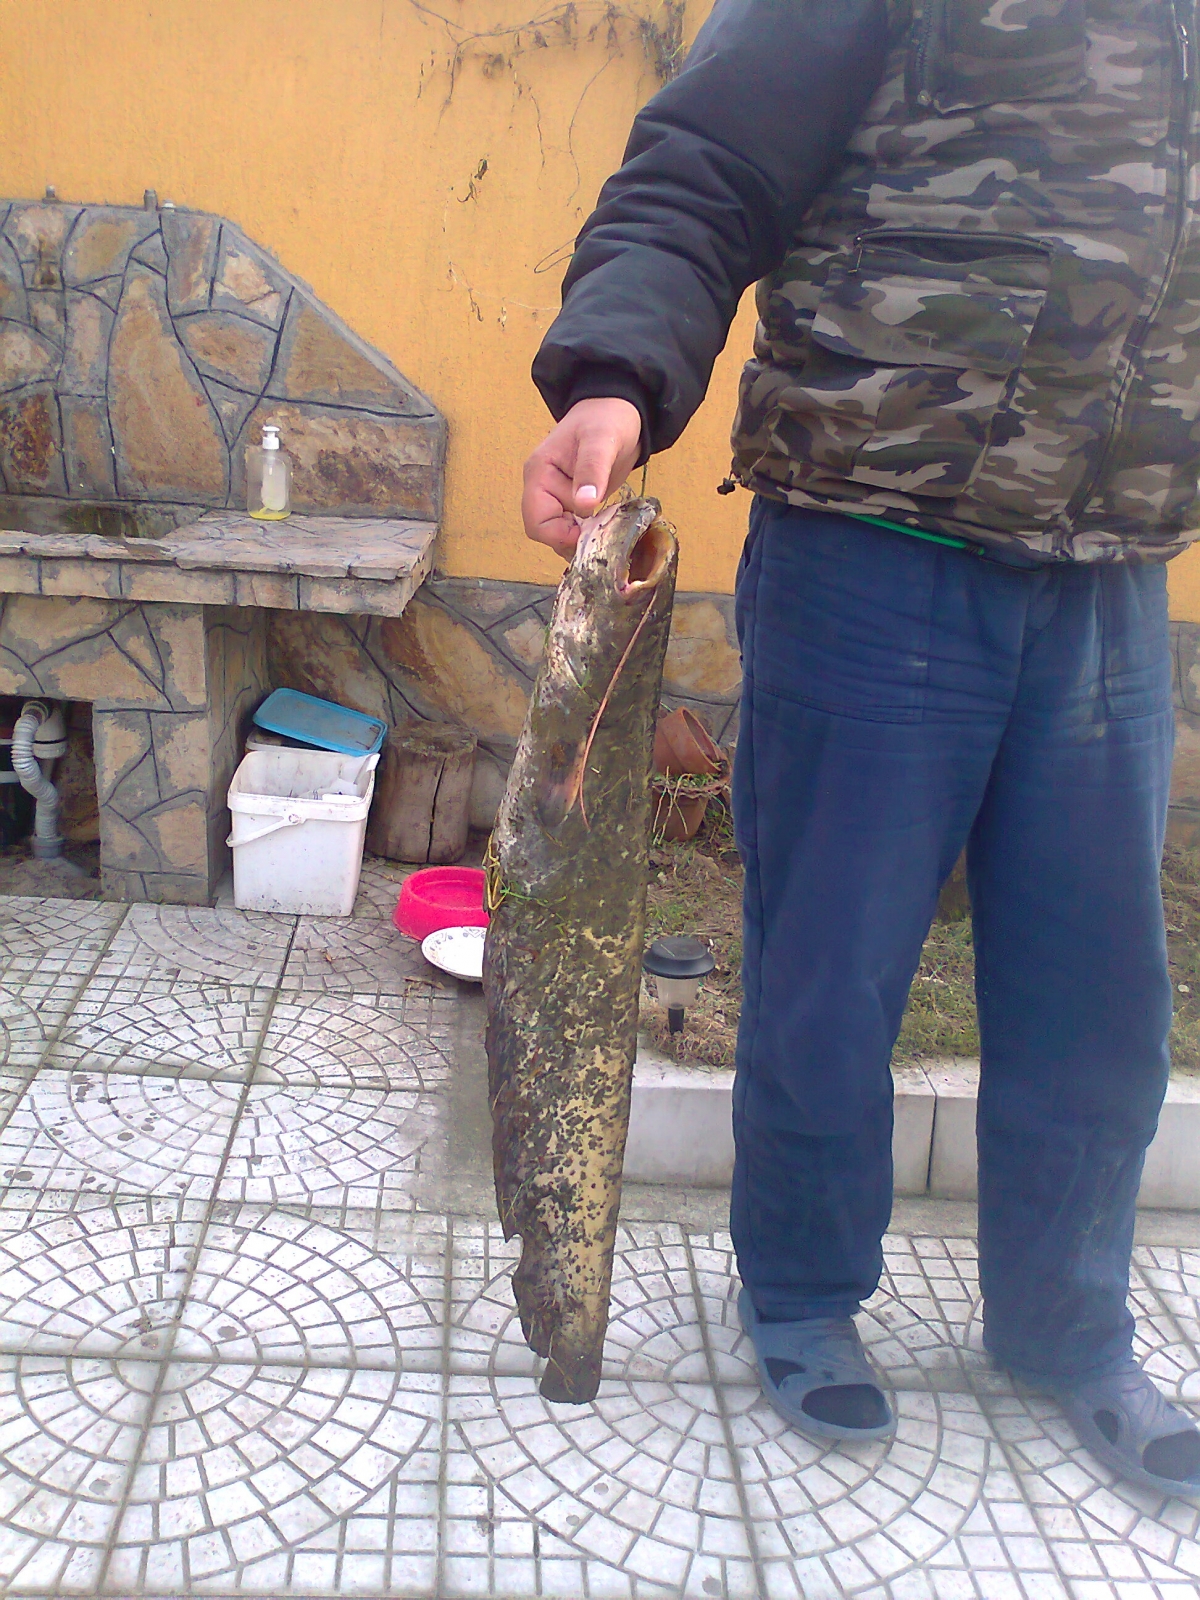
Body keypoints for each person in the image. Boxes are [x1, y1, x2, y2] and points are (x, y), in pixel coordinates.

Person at [520, 0, 1200, 1496]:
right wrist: (614, 378)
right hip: (874, 544)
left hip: (1112, 567)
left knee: (1100, 996)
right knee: (831, 972)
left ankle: (1070, 1328)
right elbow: (706, 163)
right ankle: (803, 1295)